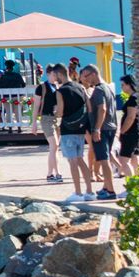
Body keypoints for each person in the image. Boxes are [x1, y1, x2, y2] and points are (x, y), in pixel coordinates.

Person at [52, 64, 94, 201]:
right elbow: (89, 108)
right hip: (81, 128)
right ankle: (89, 191)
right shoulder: (81, 87)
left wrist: (54, 114)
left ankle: (78, 193)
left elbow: (60, 112)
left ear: (59, 74)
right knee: (80, 159)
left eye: (55, 75)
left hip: (67, 129)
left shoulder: (60, 91)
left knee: (73, 161)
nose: (54, 78)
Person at [79, 64, 118, 200]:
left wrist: (96, 129)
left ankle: (110, 191)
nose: (85, 79)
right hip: (111, 127)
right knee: (103, 158)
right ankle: (106, 187)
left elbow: (102, 109)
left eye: (86, 76)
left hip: (102, 128)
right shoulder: (108, 88)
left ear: (94, 74)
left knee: (104, 160)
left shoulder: (99, 89)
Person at [37, 67, 63, 182]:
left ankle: (50, 173)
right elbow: (36, 106)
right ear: (48, 74)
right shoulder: (41, 88)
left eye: (56, 74)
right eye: (53, 74)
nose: (55, 77)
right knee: (54, 145)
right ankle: (56, 173)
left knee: (54, 148)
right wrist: (34, 124)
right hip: (46, 118)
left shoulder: (58, 87)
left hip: (56, 118)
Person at [115, 74, 139, 179]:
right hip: (136, 132)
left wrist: (122, 131)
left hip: (130, 133)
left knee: (123, 160)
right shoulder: (137, 97)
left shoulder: (133, 100)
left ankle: (131, 183)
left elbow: (130, 117)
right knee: (134, 159)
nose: (121, 87)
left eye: (123, 85)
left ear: (129, 85)